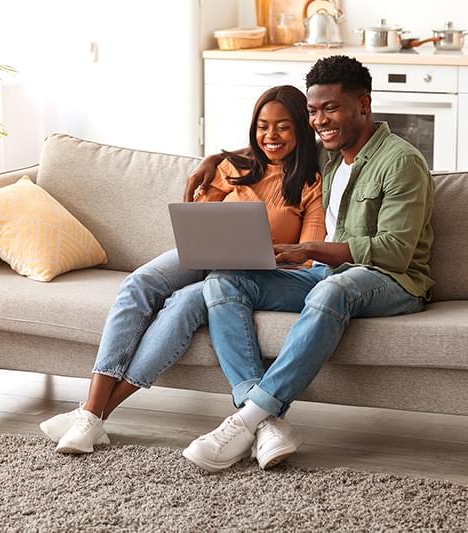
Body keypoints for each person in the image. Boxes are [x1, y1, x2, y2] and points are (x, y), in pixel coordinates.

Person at [181, 55, 435, 473]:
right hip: (328, 275)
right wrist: (219, 159)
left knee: (331, 288)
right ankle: (267, 424)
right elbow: (276, 143)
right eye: (314, 111)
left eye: (331, 108)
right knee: (224, 280)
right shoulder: (331, 155)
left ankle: (245, 418)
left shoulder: (400, 160)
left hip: (394, 281)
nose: (320, 121)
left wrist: (312, 250)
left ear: (364, 105)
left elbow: (394, 250)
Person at [39, 85, 325, 454]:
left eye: (283, 127)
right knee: (138, 284)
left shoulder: (312, 183)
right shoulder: (232, 167)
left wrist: (266, 251)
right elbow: (199, 215)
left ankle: (92, 416)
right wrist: (216, 166)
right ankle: (92, 412)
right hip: (205, 252)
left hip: (253, 272)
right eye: (262, 126)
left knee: (183, 308)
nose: (270, 136)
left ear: (302, 128)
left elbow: (306, 255)